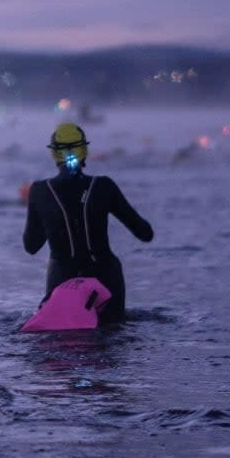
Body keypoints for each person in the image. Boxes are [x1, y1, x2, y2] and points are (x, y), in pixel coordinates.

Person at [23, 122, 153, 324]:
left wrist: (51, 217)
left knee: (60, 344)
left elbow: (31, 246)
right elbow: (145, 233)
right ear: (84, 151)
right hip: (106, 277)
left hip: (62, 281)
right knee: (112, 334)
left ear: (54, 155)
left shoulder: (39, 191)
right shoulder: (104, 186)